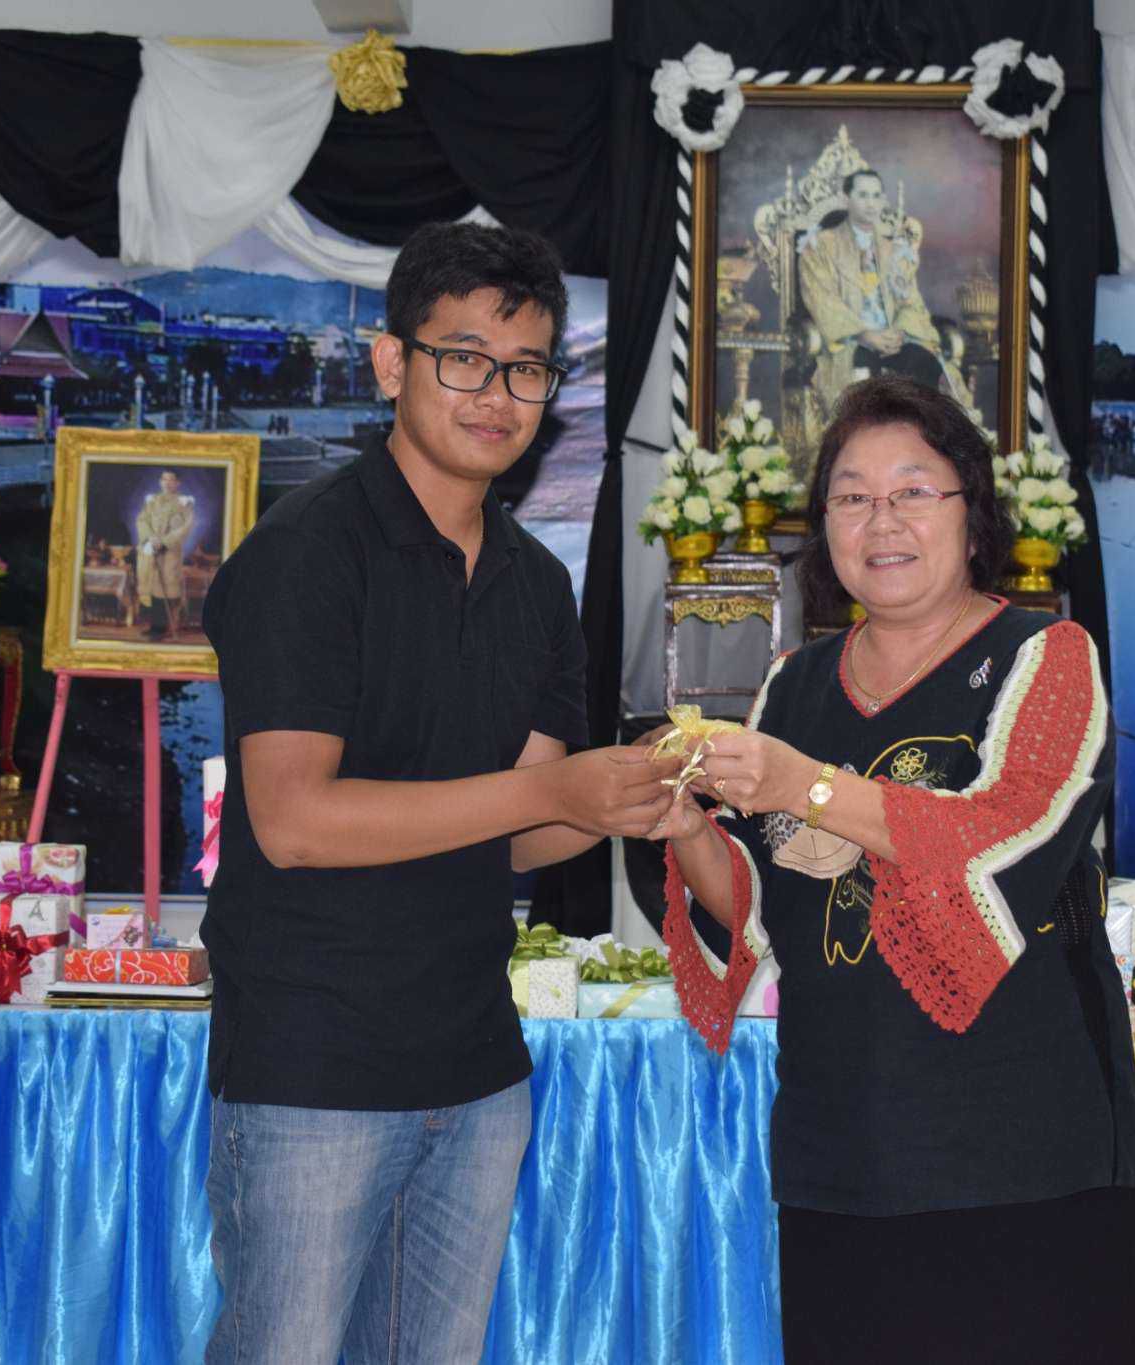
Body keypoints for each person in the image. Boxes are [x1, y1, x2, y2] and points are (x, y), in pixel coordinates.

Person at [200, 221, 684, 1365]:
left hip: (475, 1068)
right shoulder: (307, 554)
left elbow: (522, 833)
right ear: (390, 364)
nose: (495, 396)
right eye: (463, 358)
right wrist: (553, 789)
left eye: (525, 369)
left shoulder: (535, 582)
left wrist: (633, 797)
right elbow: (295, 822)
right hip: (312, 1067)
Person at [653, 376, 1135, 1364]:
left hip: (1022, 1154)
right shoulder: (793, 685)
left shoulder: (1045, 656)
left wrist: (806, 786)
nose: (880, 521)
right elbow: (756, 904)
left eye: (913, 491)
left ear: (973, 514)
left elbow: (1005, 841)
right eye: (851, 496)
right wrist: (681, 826)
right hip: (841, 1148)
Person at [798, 169, 972, 416]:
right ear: (846, 199)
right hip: (849, 342)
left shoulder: (894, 250)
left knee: (924, 362)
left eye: (876, 195)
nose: (871, 203)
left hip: (893, 340)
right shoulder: (820, 245)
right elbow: (821, 299)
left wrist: (898, 332)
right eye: (863, 195)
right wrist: (864, 334)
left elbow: (911, 301)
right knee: (863, 374)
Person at [136, 469, 193, 638]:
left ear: (177, 483)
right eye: (164, 479)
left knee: (165, 588)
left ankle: (163, 628)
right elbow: (142, 520)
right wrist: (150, 537)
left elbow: (185, 527)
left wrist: (164, 542)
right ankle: (154, 626)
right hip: (151, 549)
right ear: (160, 482)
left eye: (171, 480)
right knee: (151, 587)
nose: (167, 483)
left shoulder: (184, 503)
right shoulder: (152, 501)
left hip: (169, 552)